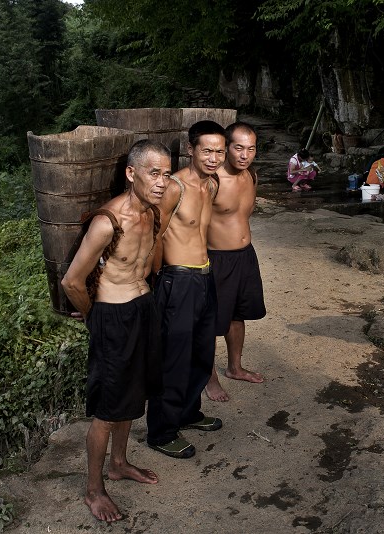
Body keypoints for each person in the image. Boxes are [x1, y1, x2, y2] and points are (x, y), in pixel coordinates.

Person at [60, 139, 170, 522]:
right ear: (131, 173)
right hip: (114, 314)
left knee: (134, 393)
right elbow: (72, 282)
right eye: (153, 173)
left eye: (166, 173)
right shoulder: (108, 221)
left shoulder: (152, 212)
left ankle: (119, 463)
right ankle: (94, 490)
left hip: (142, 309)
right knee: (108, 410)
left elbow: (146, 261)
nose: (161, 181)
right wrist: (95, 317)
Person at [146, 120, 226, 459]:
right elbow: (154, 234)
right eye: (206, 150)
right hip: (177, 280)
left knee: (202, 352)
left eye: (219, 151)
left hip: (205, 277)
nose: (213, 157)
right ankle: (162, 432)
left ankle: (188, 412)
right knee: (174, 359)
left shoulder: (211, 185)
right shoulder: (175, 186)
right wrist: (155, 281)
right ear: (191, 148)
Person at [204, 122, 267, 402]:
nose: (245, 155)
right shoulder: (212, 180)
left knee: (238, 315)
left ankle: (235, 367)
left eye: (251, 148)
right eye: (238, 147)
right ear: (226, 147)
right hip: (216, 258)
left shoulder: (251, 176)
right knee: (209, 322)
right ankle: (210, 378)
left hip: (245, 255)